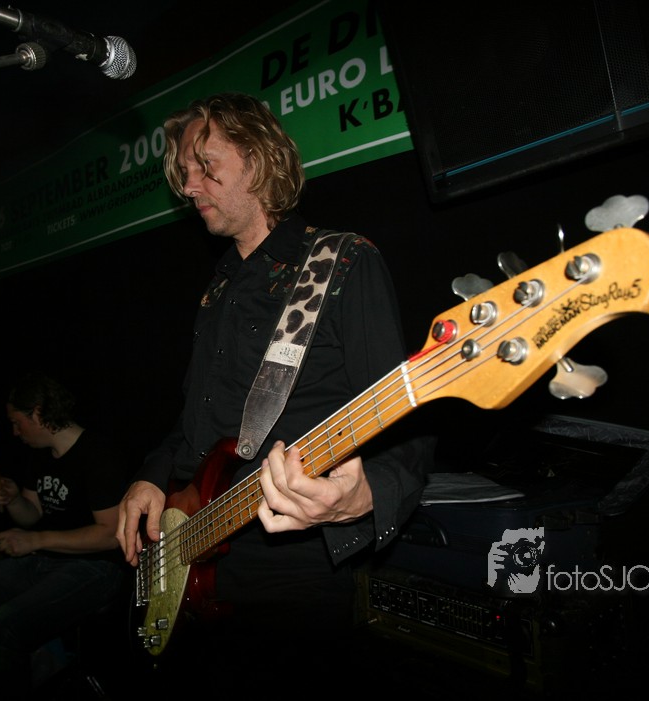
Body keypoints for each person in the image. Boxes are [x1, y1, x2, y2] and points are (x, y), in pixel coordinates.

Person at [115, 93, 436, 693]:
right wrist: (152, 477)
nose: (189, 186)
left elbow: (406, 413)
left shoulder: (342, 261)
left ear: (258, 160)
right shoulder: (218, 287)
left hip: (292, 569)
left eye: (204, 165)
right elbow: (194, 425)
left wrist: (365, 495)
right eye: (184, 172)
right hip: (192, 550)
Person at [0, 371, 131, 701]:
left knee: (2, 627)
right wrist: (13, 500)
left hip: (98, 568)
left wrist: (36, 541)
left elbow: (110, 535)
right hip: (47, 560)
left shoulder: (98, 454)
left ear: (37, 414)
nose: (15, 432)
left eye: (17, 422)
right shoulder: (39, 454)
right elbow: (32, 514)